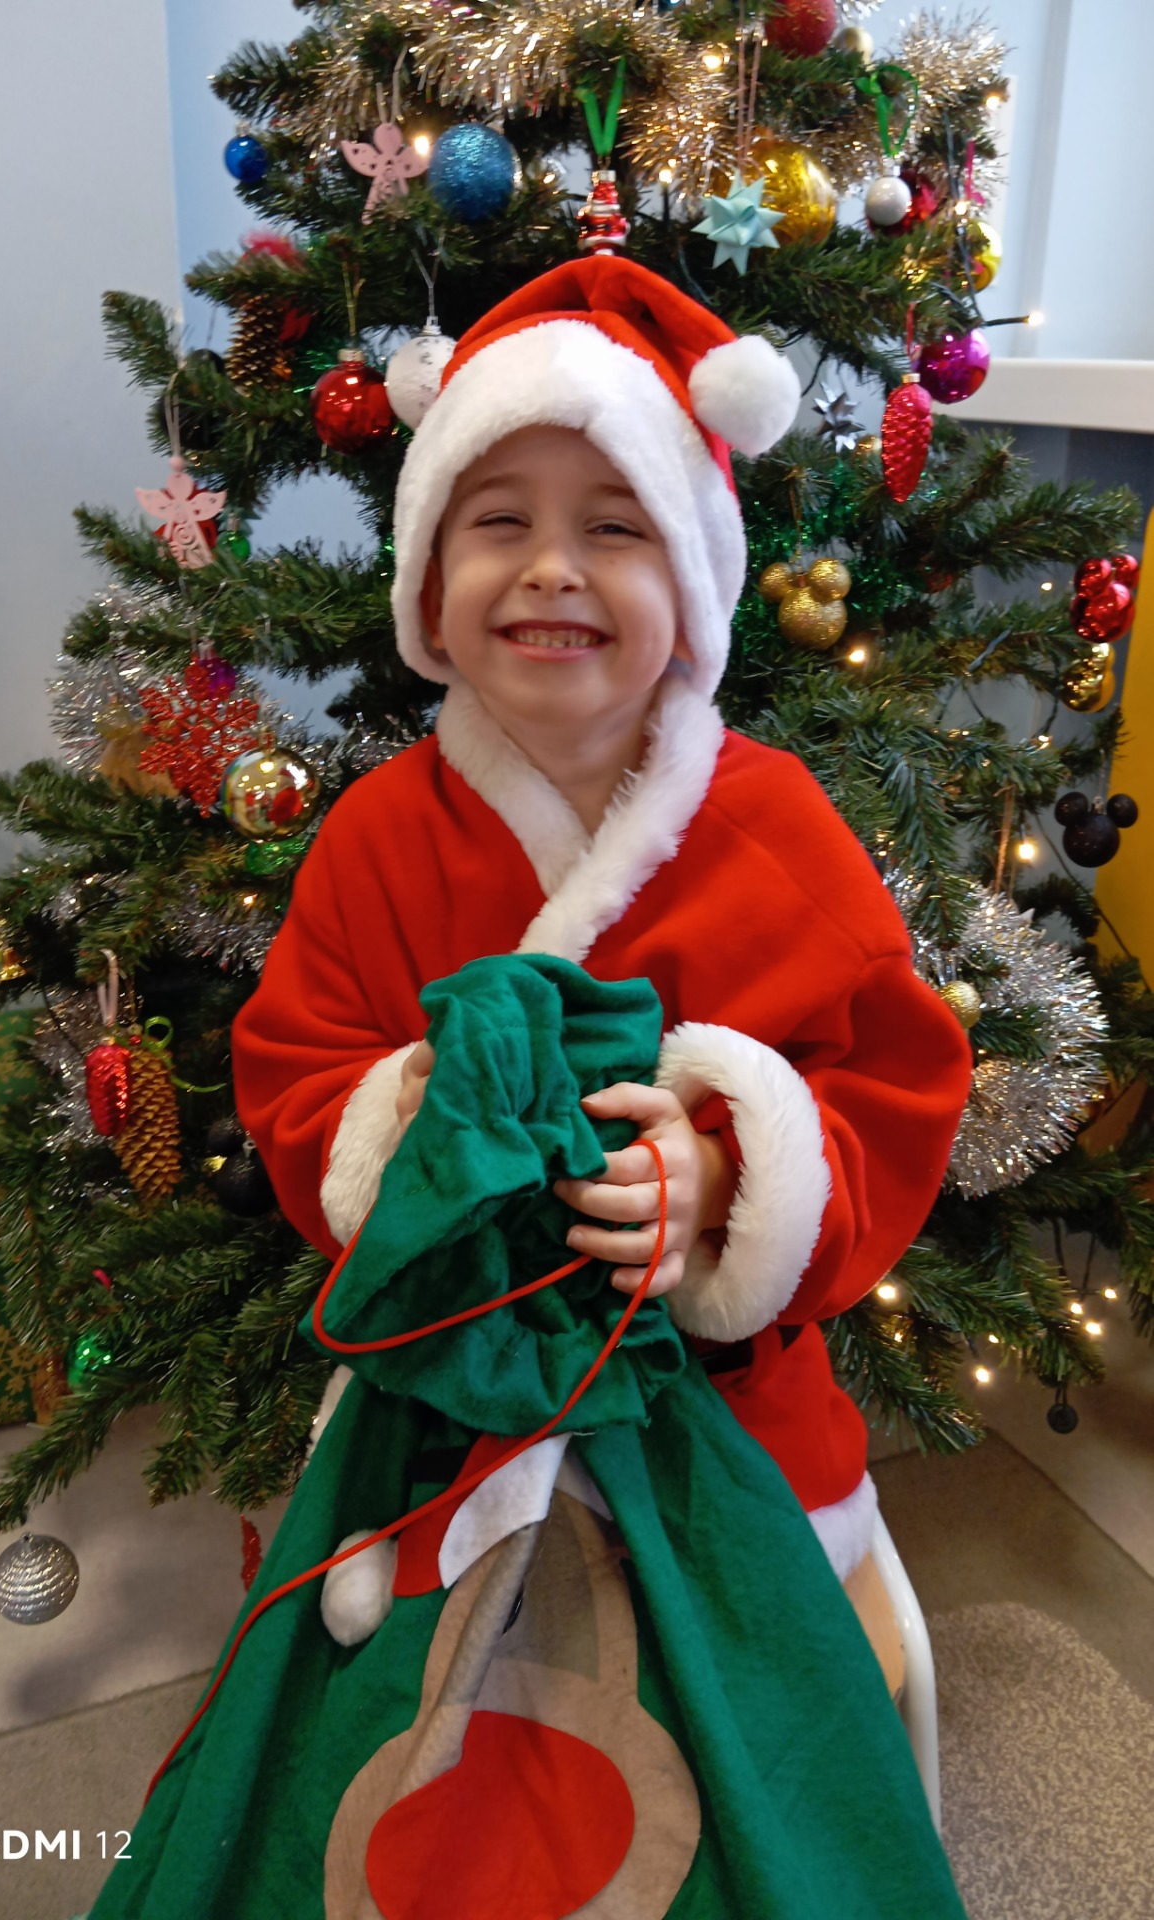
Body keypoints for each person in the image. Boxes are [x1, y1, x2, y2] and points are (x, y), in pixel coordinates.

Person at [233, 254, 973, 1598]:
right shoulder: (377, 836)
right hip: (447, 1388)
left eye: (617, 528)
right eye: (499, 521)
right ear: (430, 583)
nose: (551, 570)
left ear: (691, 582)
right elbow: (297, 1069)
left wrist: (726, 1180)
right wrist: (397, 1116)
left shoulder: (778, 826)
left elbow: (892, 1085)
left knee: (789, 1699)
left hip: (720, 1399)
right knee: (389, 1708)